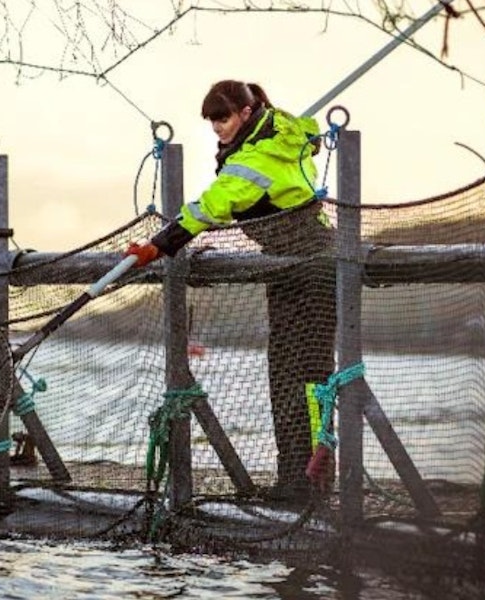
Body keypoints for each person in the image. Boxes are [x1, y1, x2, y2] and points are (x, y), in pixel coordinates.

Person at [124, 80, 337, 498]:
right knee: (290, 376)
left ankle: (309, 481)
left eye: (223, 118)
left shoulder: (258, 156)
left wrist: (157, 246)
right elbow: (309, 128)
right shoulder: (283, 132)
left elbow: (211, 206)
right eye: (211, 122)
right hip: (289, 268)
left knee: (306, 377)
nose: (217, 128)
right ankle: (298, 478)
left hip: (310, 267)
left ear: (244, 112)